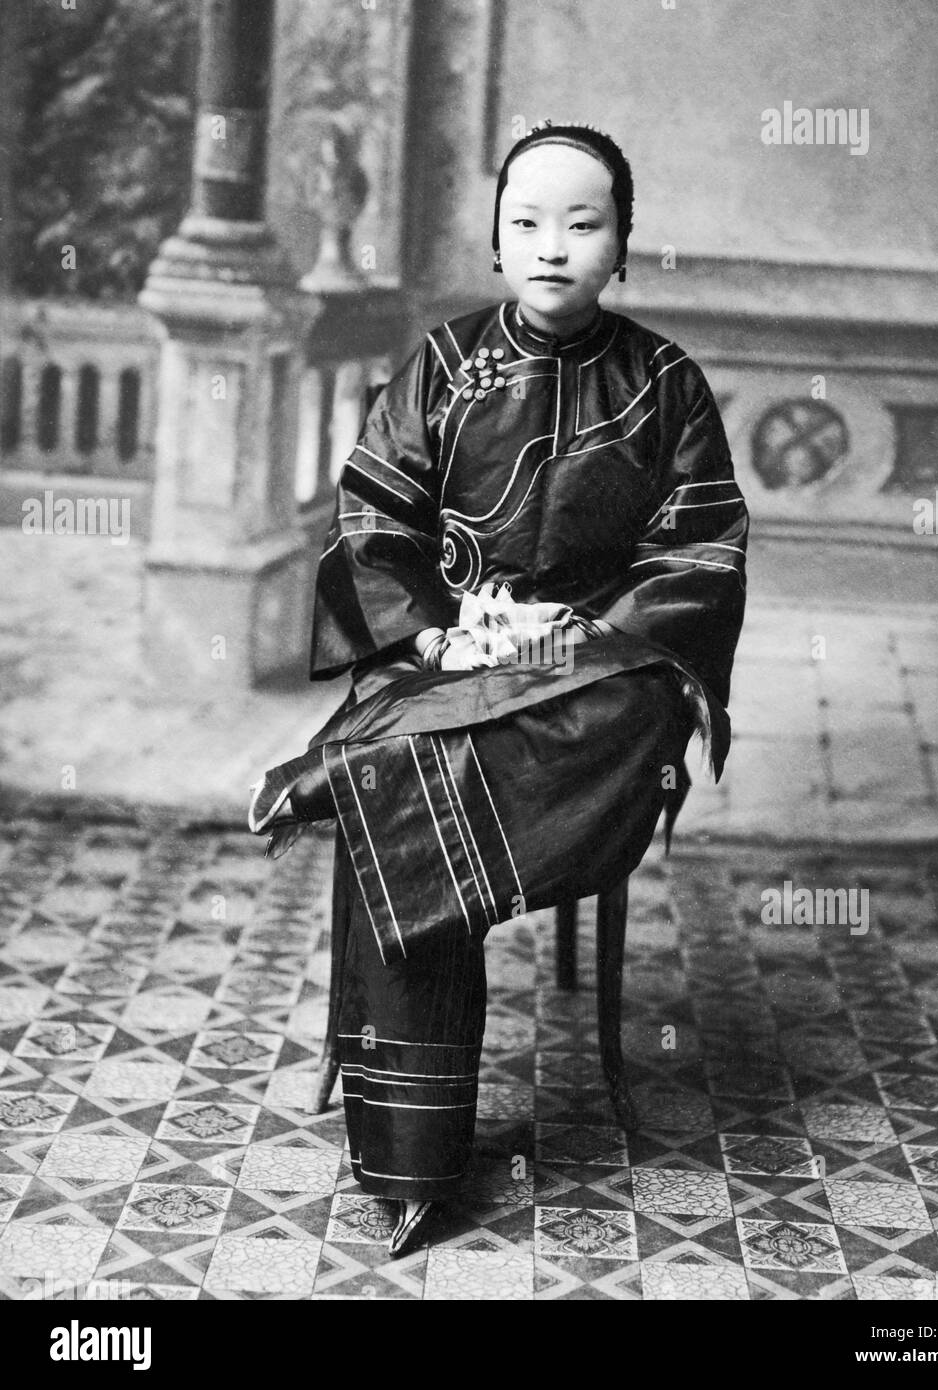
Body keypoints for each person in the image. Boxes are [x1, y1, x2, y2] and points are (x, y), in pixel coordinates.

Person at [248, 120, 749, 1258]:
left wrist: (578, 629)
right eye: (526, 222)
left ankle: (340, 773)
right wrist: (438, 631)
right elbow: (370, 522)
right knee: (415, 758)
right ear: (493, 240)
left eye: (585, 222)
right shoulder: (437, 367)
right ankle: (410, 1156)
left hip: (592, 679)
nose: (554, 245)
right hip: (454, 665)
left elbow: (701, 555)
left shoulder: (664, 384)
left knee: (419, 770)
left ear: (622, 243)